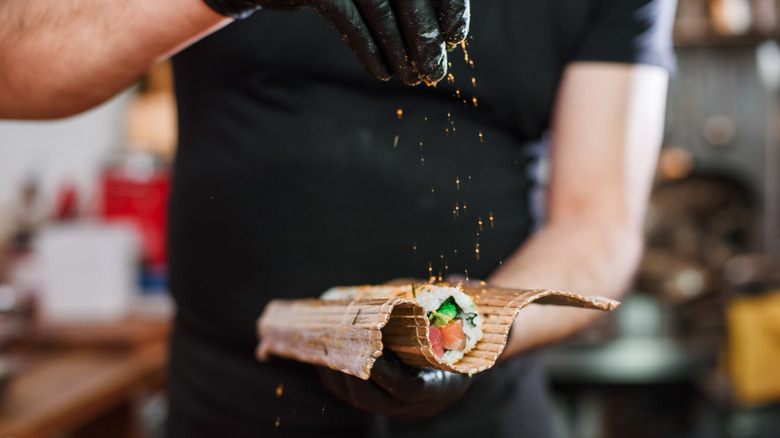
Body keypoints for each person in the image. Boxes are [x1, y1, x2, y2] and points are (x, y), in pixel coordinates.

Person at [0, 0, 677, 436]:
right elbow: (14, 67)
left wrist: (469, 332)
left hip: (482, 407)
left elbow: (598, 220)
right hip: (231, 402)